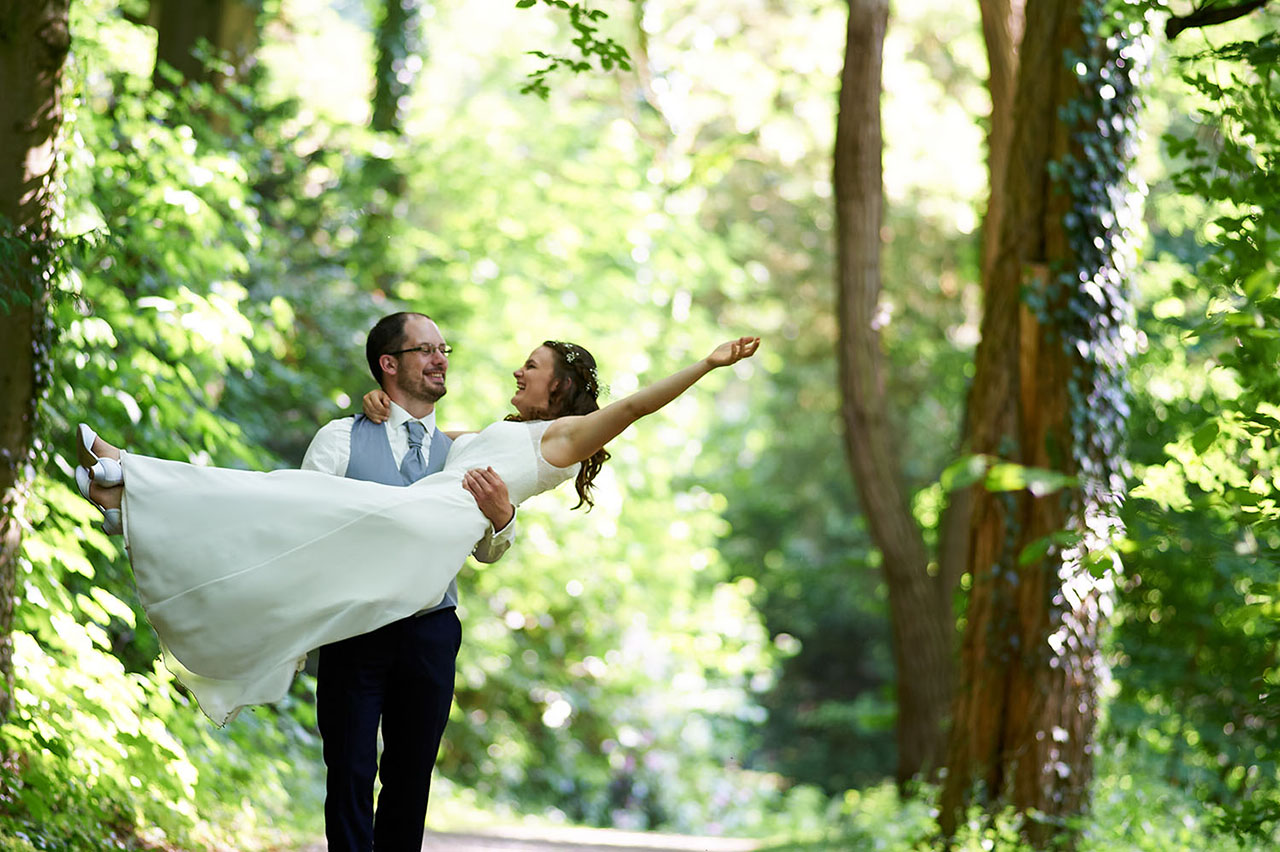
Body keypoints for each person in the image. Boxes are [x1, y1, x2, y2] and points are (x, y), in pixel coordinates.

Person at [73, 334, 761, 735]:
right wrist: (378, 405)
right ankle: (126, 494)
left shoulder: (565, 435)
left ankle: (130, 480)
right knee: (289, 502)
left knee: (293, 498)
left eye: (532, 366)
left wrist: (708, 364)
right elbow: (418, 428)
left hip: (431, 527)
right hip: (417, 522)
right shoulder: (504, 431)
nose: (518, 371)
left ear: (559, 389)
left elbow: (636, 406)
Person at [301, 312, 517, 852]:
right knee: (348, 769)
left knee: (410, 775)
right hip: (353, 627)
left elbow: (486, 551)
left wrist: (503, 517)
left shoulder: (462, 453)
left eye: (444, 348)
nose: (440, 359)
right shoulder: (339, 439)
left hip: (430, 632)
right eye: (425, 350)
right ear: (388, 364)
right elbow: (298, 524)